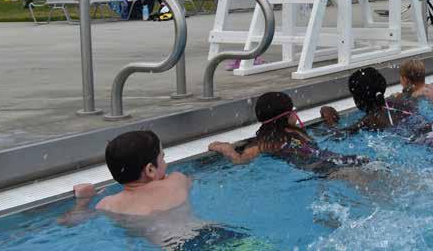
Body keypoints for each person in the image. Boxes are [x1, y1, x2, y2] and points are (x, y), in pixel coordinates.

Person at [63, 131, 251, 248]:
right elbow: (194, 180)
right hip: (216, 233)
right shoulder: (175, 181)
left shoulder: (108, 204)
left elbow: (70, 222)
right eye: (163, 158)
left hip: (177, 246)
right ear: (150, 170)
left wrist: (83, 201)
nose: (166, 163)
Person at [208, 92, 369, 175]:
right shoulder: (299, 133)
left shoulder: (262, 145)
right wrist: (330, 122)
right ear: (288, 116)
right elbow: (329, 136)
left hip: (325, 171)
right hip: (341, 160)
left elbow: (239, 161)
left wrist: (226, 148)